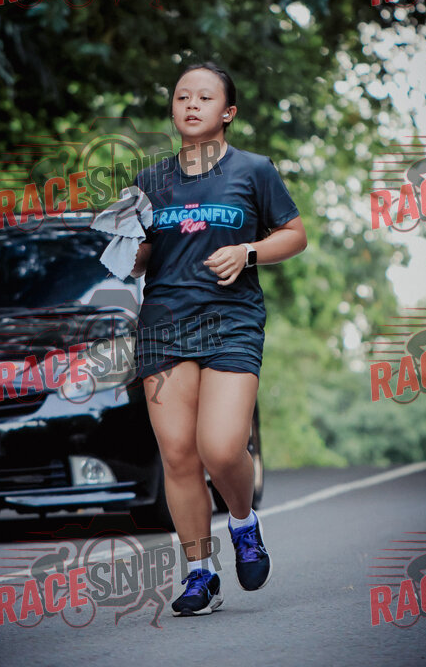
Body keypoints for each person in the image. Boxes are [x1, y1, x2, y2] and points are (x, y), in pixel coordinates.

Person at [130, 62, 307, 616]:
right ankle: (200, 574)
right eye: (182, 96)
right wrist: (127, 248)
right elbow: (140, 258)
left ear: (227, 112)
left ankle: (243, 521)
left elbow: (294, 235)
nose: (191, 104)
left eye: (204, 97)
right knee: (179, 454)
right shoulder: (149, 182)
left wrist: (248, 251)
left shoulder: (253, 170)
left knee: (222, 446)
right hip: (164, 326)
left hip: (231, 320)